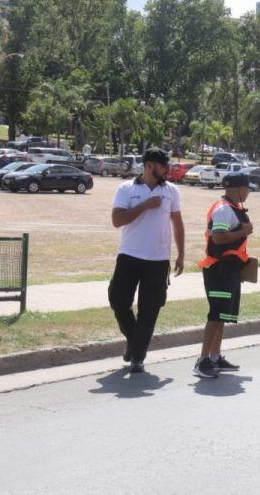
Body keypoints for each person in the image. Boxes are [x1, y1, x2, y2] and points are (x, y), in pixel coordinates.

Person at [109, 148, 184, 373]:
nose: (167, 170)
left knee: (149, 310)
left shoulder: (172, 191)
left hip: (158, 260)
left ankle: (137, 357)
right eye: (163, 166)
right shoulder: (126, 188)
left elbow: (178, 224)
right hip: (129, 256)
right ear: (150, 165)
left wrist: (181, 253)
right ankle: (134, 340)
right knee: (118, 301)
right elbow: (116, 220)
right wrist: (144, 206)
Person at [192, 173, 255, 377]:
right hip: (219, 270)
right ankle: (202, 361)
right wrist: (244, 232)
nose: (248, 192)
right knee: (216, 315)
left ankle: (214, 358)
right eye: (246, 188)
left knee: (223, 316)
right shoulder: (223, 210)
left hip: (229, 270)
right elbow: (218, 238)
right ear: (238, 189)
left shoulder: (232, 208)